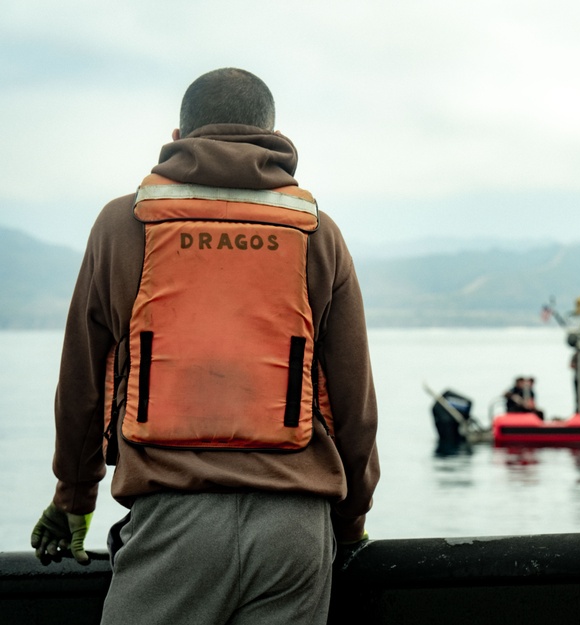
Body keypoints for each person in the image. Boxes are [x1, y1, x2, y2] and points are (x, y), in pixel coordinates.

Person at [29, 68, 379, 625]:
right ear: (272, 137)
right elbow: (354, 405)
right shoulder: (318, 232)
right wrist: (350, 521)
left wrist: (73, 497)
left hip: (172, 524)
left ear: (176, 139)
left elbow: (83, 382)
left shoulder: (123, 224)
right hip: (296, 531)